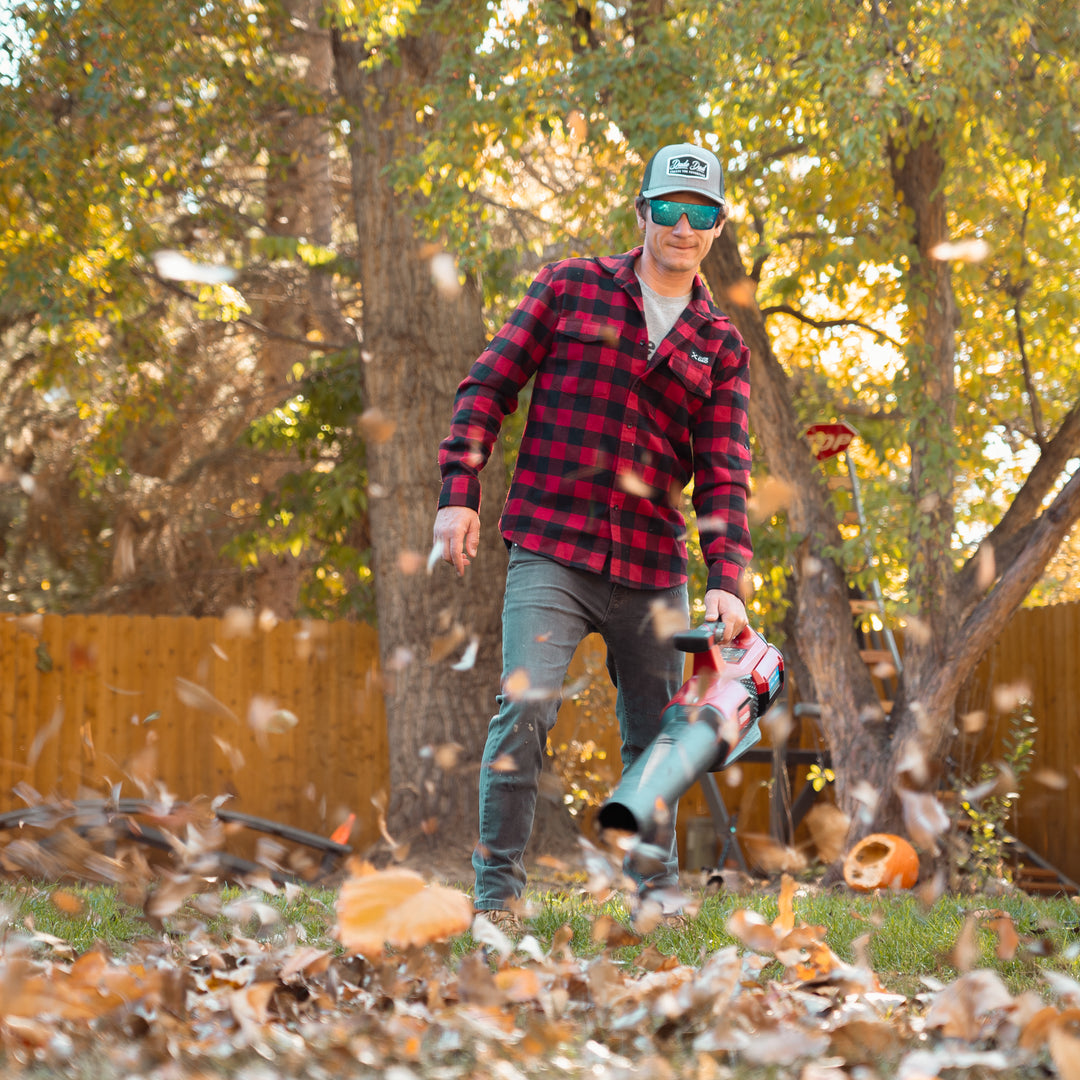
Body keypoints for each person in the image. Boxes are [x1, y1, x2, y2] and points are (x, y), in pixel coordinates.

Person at [433, 142, 753, 922]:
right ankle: (496, 898)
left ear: (715, 227)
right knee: (527, 706)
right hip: (552, 543)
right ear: (642, 210)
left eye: (700, 212)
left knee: (660, 738)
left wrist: (727, 578)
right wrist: (458, 492)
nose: (683, 224)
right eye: (669, 208)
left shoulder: (721, 345)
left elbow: (724, 472)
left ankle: (654, 894)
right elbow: (488, 385)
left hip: (652, 565)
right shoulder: (569, 286)